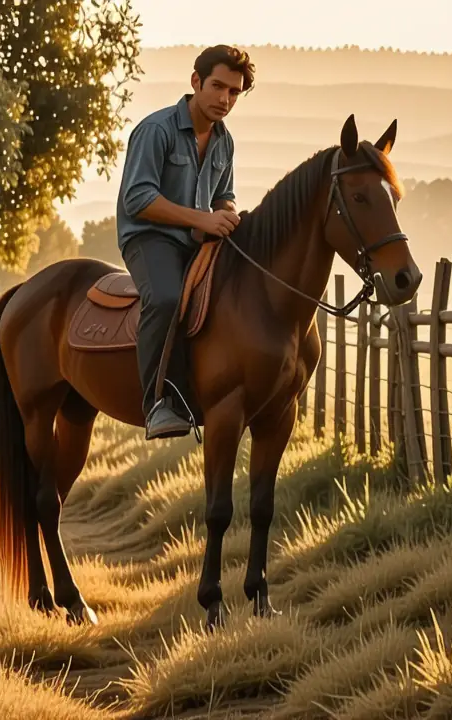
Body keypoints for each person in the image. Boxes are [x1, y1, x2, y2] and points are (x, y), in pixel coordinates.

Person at [117, 45, 254, 440]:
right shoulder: (155, 130)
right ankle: (157, 404)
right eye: (217, 87)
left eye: (234, 93)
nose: (225, 99)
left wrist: (225, 214)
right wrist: (201, 220)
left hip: (199, 240)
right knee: (164, 298)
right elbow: (138, 199)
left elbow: (224, 195)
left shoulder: (225, 143)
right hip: (149, 238)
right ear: (196, 81)